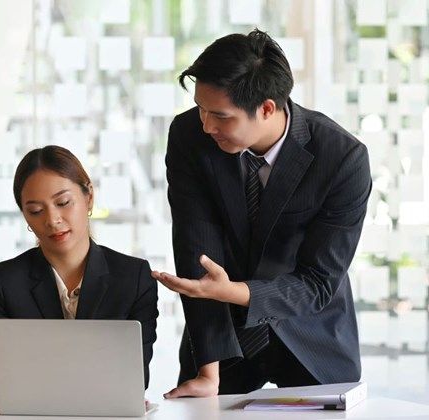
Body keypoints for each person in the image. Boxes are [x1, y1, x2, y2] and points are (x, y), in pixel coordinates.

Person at [151, 29, 372, 397]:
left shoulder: (342, 158)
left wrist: (235, 291)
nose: (207, 125)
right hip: (220, 342)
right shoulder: (190, 135)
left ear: (267, 107)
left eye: (220, 115)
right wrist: (209, 372)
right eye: (201, 109)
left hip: (311, 337)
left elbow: (318, 282)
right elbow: (197, 253)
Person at [0, 145, 158, 401]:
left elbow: (136, 379)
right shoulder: (4, 282)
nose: (52, 219)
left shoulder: (134, 279)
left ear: (88, 197)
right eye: (36, 211)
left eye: (63, 203)